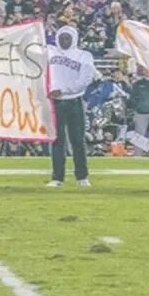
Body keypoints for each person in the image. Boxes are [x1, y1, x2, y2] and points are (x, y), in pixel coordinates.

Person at [47, 25, 95, 187]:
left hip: (74, 101)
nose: (64, 40)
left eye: (68, 38)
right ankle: (57, 178)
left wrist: (63, 90)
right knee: (57, 141)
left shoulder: (84, 56)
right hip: (56, 103)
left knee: (78, 141)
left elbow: (85, 80)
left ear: (74, 39)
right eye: (61, 37)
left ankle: (82, 177)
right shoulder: (50, 51)